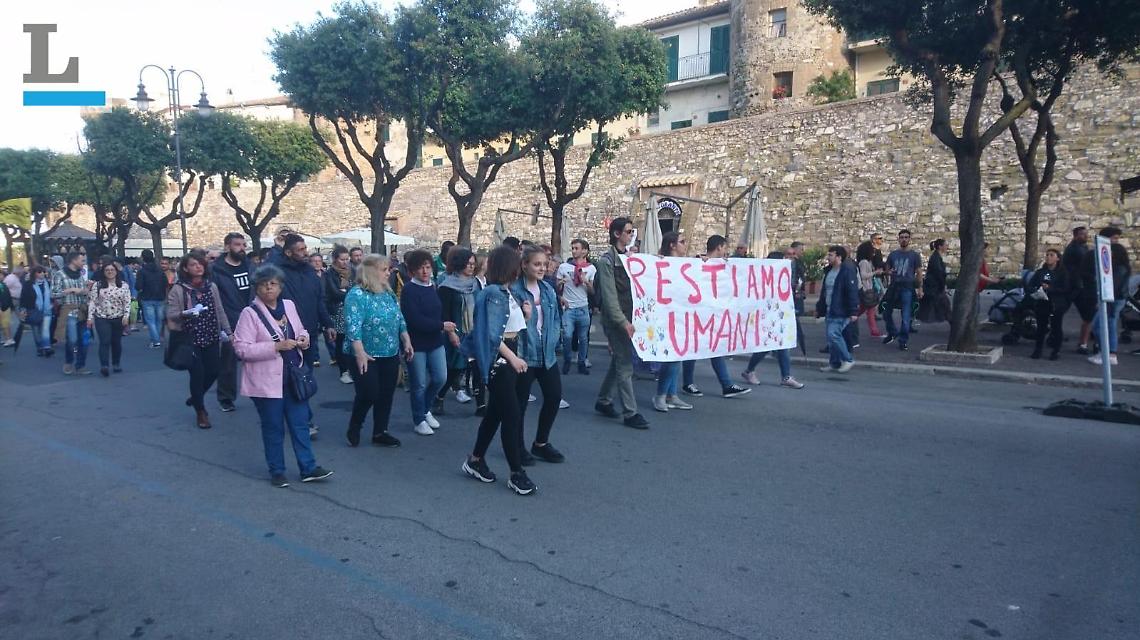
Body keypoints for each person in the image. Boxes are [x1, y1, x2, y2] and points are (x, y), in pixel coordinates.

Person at [232, 264, 333, 487]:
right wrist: (275, 347)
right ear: (256, 288)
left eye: (273, 284)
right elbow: (241, 349)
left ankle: (308, 468)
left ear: (280, 286)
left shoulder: (288, 306)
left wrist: (304, 339)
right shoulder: (249, 314)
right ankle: (277, 470)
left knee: (300, 425)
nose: (269, 288)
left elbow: (301, 329)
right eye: (263, 284)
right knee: (273, 427)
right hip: (266, 383)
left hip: (293, 377)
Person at [460, 246, 537, 495]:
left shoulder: (507, 291)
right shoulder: (493, 293)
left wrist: (526, 315)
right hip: (499, 360)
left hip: (508, 356)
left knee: (495, 414)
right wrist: (513, 358)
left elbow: (511, 327)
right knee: (512, 416)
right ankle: (516, 473)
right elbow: (493, 335)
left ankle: (475, 459)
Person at [341, 254, 413, 448]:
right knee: (369, 392)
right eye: (384, 270)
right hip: (364, 353)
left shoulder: (387, 292)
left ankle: (380, 431)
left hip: (389, 352)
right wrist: (359, 352)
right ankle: (355, 425)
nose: (389, 273)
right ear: (371, 272)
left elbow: (399, 318)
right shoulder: (357, 295)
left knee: (386, 394)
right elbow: (352, 326)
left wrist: (406, 338)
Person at [272, 234, 335, 437]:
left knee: (304, 376)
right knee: (295, 377)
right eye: (300, 249)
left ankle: (298, 417)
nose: (305, 252)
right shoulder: (278, 273)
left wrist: (327, 324)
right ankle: (303, 421)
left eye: (305, 248)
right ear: (288, 252)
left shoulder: (310, 273)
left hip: (309, 334)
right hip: (287, 336)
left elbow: (319, 300)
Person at [594, 218, 650, 429]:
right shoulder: (606, 261)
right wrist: (622, 322)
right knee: (625, 364)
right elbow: (609, 298)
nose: (630, 235)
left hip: (629, 317)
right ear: (617, 234)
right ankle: (630, 412)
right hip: (617, 320)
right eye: (628, 231)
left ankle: (604, 400)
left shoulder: (628, 258)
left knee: (619, 360)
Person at [512, 245, 566, 463]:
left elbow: (554, 320)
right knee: (520, 404)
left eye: (545, 264)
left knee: (553, 397)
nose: (542, 268)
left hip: (547, 354)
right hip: (525, 354)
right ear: (524, 265)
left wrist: (554, 340)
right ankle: (517, 446)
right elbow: (512, 325)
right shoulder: (515, 291)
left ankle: (541, 443)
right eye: (537, 264)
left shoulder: (547, 289)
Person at [681, 235, 752, 399]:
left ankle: (724, 385)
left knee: (714, 349)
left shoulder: (723, 265)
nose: (726, 251)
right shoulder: (698, 262)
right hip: (697, 314)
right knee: (693, 349)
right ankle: (690, 383)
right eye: (725, 248)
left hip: (712, 315)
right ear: (719, 247)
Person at [167, 254, 231, 429]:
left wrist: (228, 332)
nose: (198, 267)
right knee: (197, 374)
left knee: (214, 370)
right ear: (186, 268)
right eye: (193, 264)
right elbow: (171, 314)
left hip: (211, 335)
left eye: (200, 264)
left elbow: (219, 310)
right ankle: (201, 411)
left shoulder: (212, 287)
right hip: (190, 338)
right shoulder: (179, 289)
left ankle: (196, 396)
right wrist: (185, 313)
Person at [400, 249, 455, 435]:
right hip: (416, 343)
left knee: (440, 377)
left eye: (428, 267)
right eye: (421, 268)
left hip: (435, 341)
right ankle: (419, 419)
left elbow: (439, 311)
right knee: (419, 383)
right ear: (413, 270)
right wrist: (441, 326)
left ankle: (425, 408)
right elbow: (414, 319)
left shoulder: (433, 286)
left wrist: (447, 329)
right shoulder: (409, 290)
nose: (425, 271)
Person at [742, 246, 806, 390]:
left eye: (793, 254)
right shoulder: (768, 274)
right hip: (768, 313)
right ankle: (750, 371)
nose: (792, 257)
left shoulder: (794, 268)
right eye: (788, 255)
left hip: (782, 312)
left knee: (782, 344)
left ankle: (785, 376)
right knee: (767, 345)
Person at [652, 232, 696, 411]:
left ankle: (671, 395)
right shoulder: (660, 262)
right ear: (672, 245)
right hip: (665, 317)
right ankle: (661, 395)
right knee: (673, 357)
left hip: (681, 317)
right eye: (682, 242)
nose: (685, 245)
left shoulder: (687, 265)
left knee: (677, 356)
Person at [211, 233, 254, 413]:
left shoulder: (250, 267)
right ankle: (226, 398)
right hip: (229, 319)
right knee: (228, 362)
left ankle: (263, 392)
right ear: (227, 247)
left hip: (252, 317)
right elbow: (213, 298)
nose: (242, 248)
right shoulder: (216, 270)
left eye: (244, 244)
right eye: (237, 245)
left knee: (260, 356)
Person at [436, 246, 479, 410]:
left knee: (476, 367)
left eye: (473, 264)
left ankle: (481, 405)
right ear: (459, 264)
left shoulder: (475, 284)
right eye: (468, 264)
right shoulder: (447, 286)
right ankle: (439, 396)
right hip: (456, 331)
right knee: (455, 367)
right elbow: (444, 313)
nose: (471, 267)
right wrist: (452, 333)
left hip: (473, 331)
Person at [1088, 229, 1130, 366]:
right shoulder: (1118, 267)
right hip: (1114, 299)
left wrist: (1103, 300)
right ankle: (1106, 352)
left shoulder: (1119, 269)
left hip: (1113, 300)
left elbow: (1113, 286)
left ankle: (1110, 353)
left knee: (1105, 326)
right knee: (1103, 326)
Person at [816, 246, 860, 373]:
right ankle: (834, 362)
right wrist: (820, 308)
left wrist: (853, 311)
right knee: (831, 338)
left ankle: (848, 359)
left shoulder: (847, 270)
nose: (828, 257)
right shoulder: (829, 271)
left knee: (833, 334)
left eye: (831, 255)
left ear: (839, 257)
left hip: (841, 309)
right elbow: (824, 291)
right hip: (831, 308)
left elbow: (852, 291)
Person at [556, 238, 596, 376]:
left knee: (583, 338)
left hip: (583, 307)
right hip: (569, 308)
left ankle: (581, 362)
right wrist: (560, 283)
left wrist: (587, 282)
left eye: (576, 248)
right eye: (572, 248)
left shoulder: (591, 268)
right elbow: (557, 287)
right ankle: (567, 360)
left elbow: (593, 292)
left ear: (585, 251)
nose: (573, 251)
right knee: (567, 336)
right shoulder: (564, 267)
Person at [87, 261, 132, 377]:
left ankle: (116, 363)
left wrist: (126, 316)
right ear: (103, 272)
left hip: (118, 317)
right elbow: (93, 301)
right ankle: (104, 365)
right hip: (102, 317)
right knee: (104, 341)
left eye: (112, 270)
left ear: (116, 272)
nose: (110, 272)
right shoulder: (98, 285)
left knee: (116, 342)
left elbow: (127, 302)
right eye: (107, 270)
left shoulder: (123, 285)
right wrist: (90, 318)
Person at [1026, 248, 1070, 360]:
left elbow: (1065, 288)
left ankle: (1056, 351)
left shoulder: (1062, 272)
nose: (1048, 257)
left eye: (1051, 255)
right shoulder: (1040, 272)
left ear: (1057, 258)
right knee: (1041, 327)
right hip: (1042, 302)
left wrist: (1050, 288)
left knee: (1056, 327)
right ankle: (1038, 350)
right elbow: (1030, 285)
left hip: (1057, 303)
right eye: (1047, 255)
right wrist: (1036, 290)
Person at [882, 229, 923, 351]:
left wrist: (920, 288)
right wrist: (888, 272)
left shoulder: (915, 256)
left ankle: (903, 340)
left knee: (906, 316)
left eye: (906, 237)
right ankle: (892, 332)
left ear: (909, 239)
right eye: (902, 237)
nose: (904, 239)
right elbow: (887, 270)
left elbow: (919, 272)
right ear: (898, 239)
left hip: (907, 287)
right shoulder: (893, 255)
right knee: (885, 311)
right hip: (894, 287)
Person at [52, 251, 91, 375]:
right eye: (82, 260)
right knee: (72, 339)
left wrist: (87, 290)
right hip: (69, 311)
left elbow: (84, 292)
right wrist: (70, 290)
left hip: (82, 310)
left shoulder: (81, 274)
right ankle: (69, 361)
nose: (83, 263)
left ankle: (80, 365)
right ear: (74, 260)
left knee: (84, 340)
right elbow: (53, 293)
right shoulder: (60, 274)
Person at [324, 245, 355, 384]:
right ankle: (343, 371)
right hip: (337, 310)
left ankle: (352, 368)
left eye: (347, 259)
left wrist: (345, 290)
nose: (345, 262)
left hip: (351, 309)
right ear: (335, 259)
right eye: (342, 259)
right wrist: (346, 291)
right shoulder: (329, 273)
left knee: (353, 340)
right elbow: (334, 292)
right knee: (341, 341)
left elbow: (355, 288)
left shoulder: (352, 271)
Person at [1064, 227, 1095, 354]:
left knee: (1087, 315)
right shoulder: (1076, 249)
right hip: (1077, 286)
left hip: (1077, 286)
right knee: (1088, 316)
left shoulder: (1081, 248)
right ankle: (1082, 344)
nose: (1086, 236)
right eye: (1083, 234)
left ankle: (1084, 340)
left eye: (1086, 234)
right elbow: (1086, 264)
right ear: (1076, 235)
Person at [135, 249, 168, 348]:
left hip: (147, 297)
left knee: (151, 320)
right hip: (160, 297)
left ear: (143, 257)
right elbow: (165, 283)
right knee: (158, 320)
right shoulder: (160, 270)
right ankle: (156, 338)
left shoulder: (142, 271)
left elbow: (138, 286)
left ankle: (155, 340)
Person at [20, 266, 53, 357]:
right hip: (33, 310)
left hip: (47, 310)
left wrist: (52, 304)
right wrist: (23, 309)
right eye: (39, 272)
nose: (42, 273)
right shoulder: (28, 284)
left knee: (45, 329)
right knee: (36, 330)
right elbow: (23, 298)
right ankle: (39, 347)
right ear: (34, 273)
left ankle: (46, 347)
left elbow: (52, 295)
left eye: (43, 271)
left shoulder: (48, 283)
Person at [916, 239, 951, 324]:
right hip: (934, 287)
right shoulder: (935, 258)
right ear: (940, 247)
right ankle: (953, 322)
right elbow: (939, 273)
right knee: (944, 304)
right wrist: (943, 286)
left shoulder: (936, 257)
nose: (947, 247)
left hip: (934, 287)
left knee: (934, 305)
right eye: (945, 245)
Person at [854, 241, 883, 338]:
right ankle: (874, 331)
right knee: (869, 310)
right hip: (866, 289)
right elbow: (863, 275)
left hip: (867, 289)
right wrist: (875, 272)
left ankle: (874, 330)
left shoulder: (866, 262)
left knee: (866, 310)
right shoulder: (864, 262)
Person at [3, 266, 24, 346]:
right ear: (18, 272)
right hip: (12, 299)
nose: (22, 273)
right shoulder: (11, 278)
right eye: (21, 272)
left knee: (17, 313)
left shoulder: (15, 278)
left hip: (16, 299)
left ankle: (7, 337)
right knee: (6, 318)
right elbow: (4, 288)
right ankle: (7, 337)